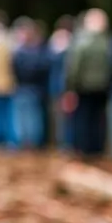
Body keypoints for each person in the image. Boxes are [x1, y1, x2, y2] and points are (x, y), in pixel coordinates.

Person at [64, 8, 112, 159]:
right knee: (98, 119)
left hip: (83, 87)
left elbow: (74, 67)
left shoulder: (81, 42)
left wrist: (71, 87)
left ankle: (84, 149)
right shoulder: (108, 43)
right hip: (102, 87)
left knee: (84, 118)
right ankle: (97, 149)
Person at [11, 18, 50, 150]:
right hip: (33, 88)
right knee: (32, 117)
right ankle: (31, 142)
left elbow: (15, 69)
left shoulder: (20, 52)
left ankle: (26, 142)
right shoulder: (40, 51)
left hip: (25, 87)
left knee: (26, 117)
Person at [47, 17, 75, 150]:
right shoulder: (73, 45)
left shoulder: (56, 48)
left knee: (64, 118)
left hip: (64, 88)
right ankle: (64, 143)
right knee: (62, 118)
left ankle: (65, 143)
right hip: (64, 88)